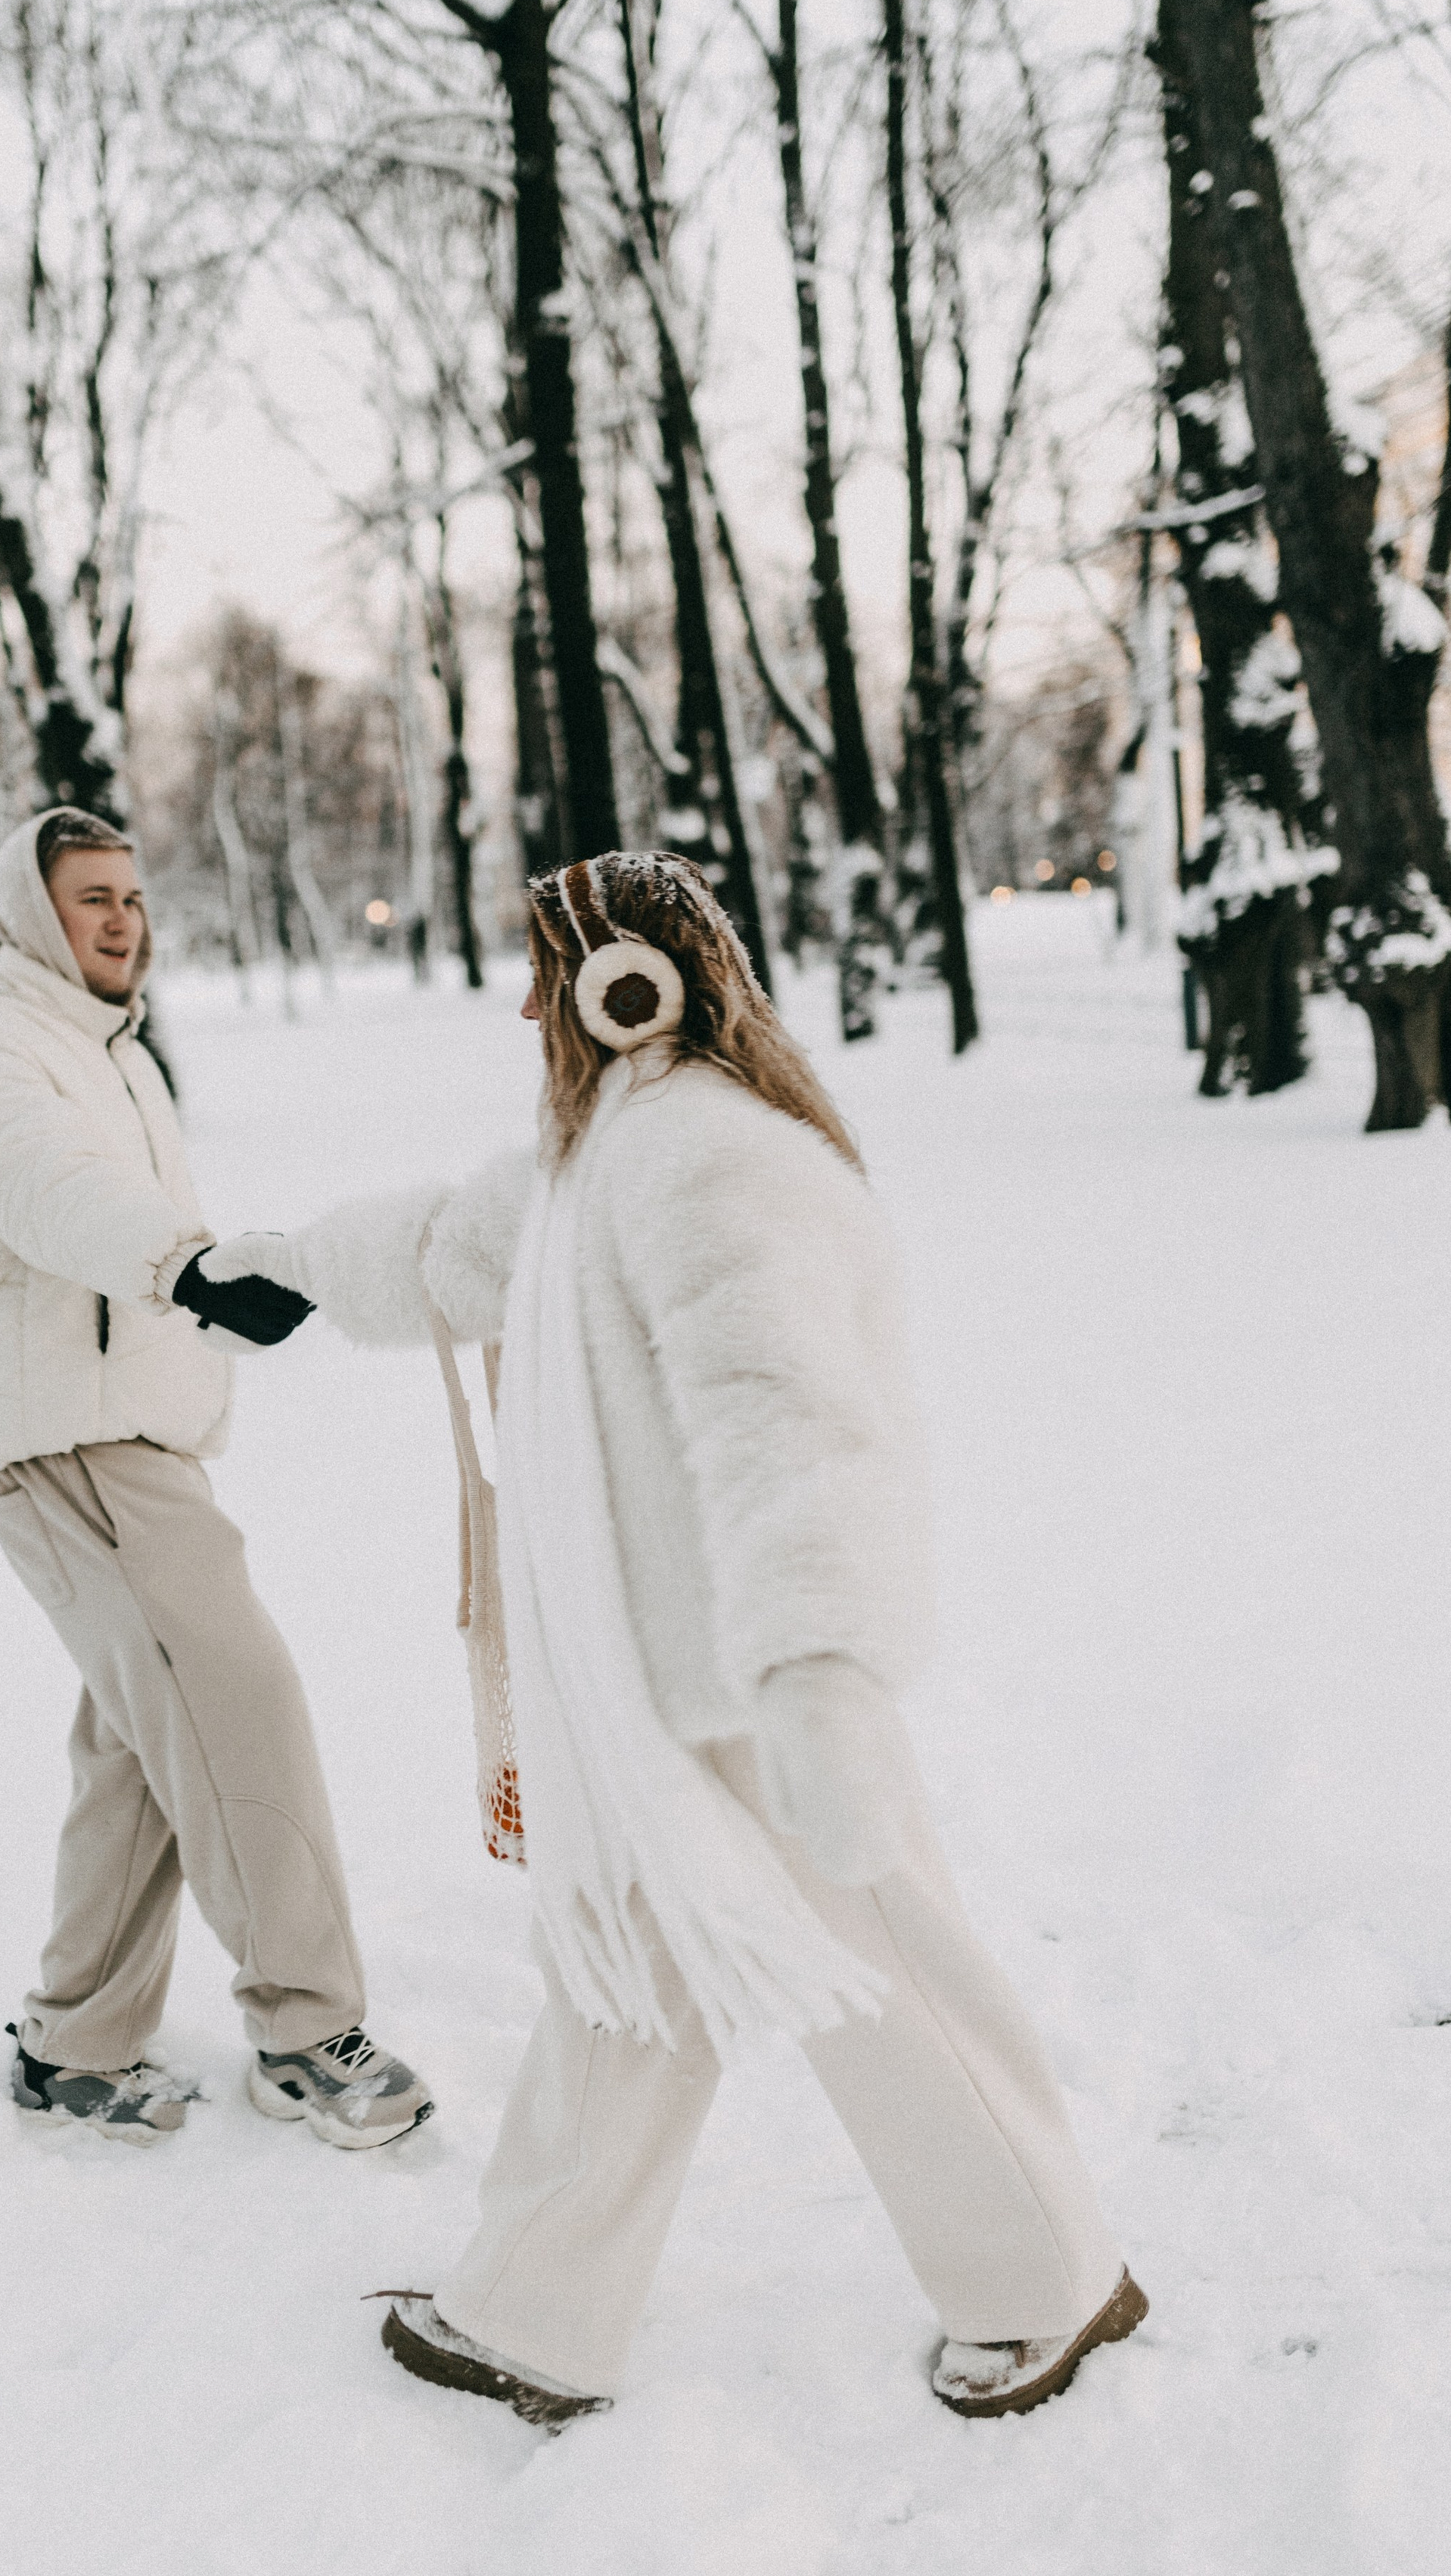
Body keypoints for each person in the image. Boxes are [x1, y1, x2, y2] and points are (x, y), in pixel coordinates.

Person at [200, 851, 1142, 2423]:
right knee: (624, 1979)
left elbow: (796, 1426)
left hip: (753, 1683)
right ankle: (532, 2313)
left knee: (882, 1973)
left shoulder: (713, 1162)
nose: (526, 1011)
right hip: (640, 1698)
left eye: (543, 978)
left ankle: (1049, 2281)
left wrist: (820, 1680)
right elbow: (452, 1249)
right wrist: (283, 1267)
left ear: (621, 987)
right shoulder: (597, 1166)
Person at [0, 806, 430, 2150]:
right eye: (91, 898)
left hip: (130, 1434)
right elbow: (53, 1195)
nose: (122, 920)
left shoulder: (113, 1054)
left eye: (132, 897)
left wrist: (220, 1291)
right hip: (64, 1443)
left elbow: (105, 1209)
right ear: (31, 914)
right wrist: (188, 1269)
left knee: (144, 1744)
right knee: (236, 1694)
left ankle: (74, 2042)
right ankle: (307, 2032)